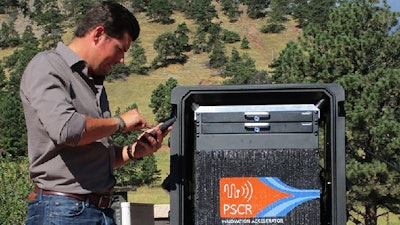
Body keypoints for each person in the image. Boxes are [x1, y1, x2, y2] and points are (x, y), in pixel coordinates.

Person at [20, 1, 171, 224]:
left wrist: (134, 151)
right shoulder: (48, 66)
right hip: (62, 211)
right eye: (119, 49)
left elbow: (94, 157)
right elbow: (67, 130)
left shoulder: (93, 84)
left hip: (97, 211)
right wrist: (120, 122)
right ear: (98, 33)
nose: (122, 60)